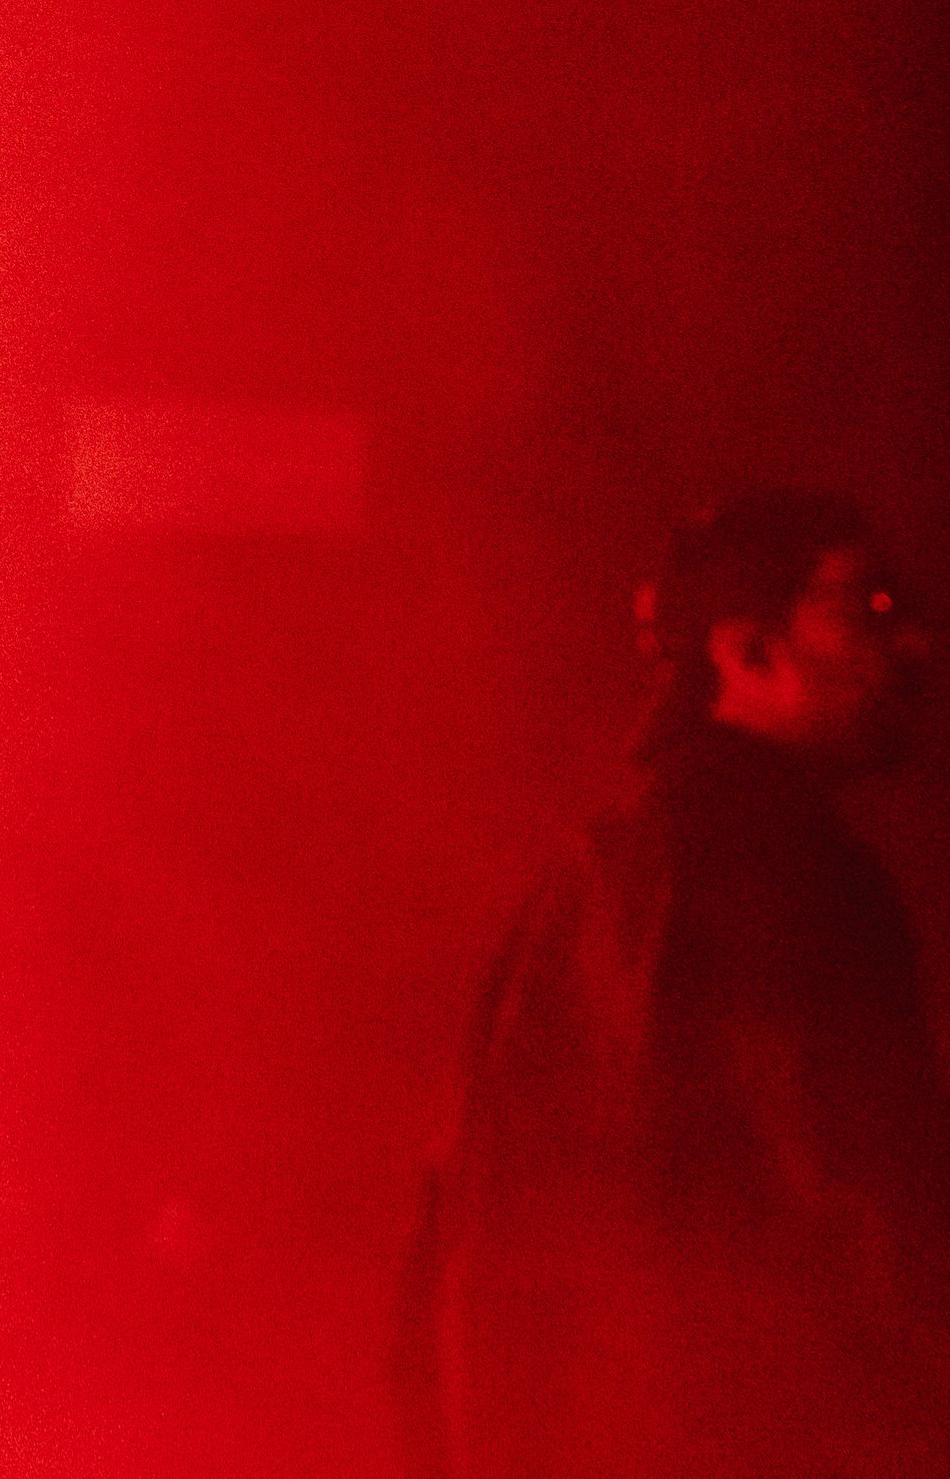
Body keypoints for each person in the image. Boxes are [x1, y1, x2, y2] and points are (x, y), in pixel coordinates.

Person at [398, 490, 950, 1479]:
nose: (907, 644)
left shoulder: (580, 875)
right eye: (861, 605)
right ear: (747, 654)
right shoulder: (794, 876)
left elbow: (448, 1232)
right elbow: (862, 1186)